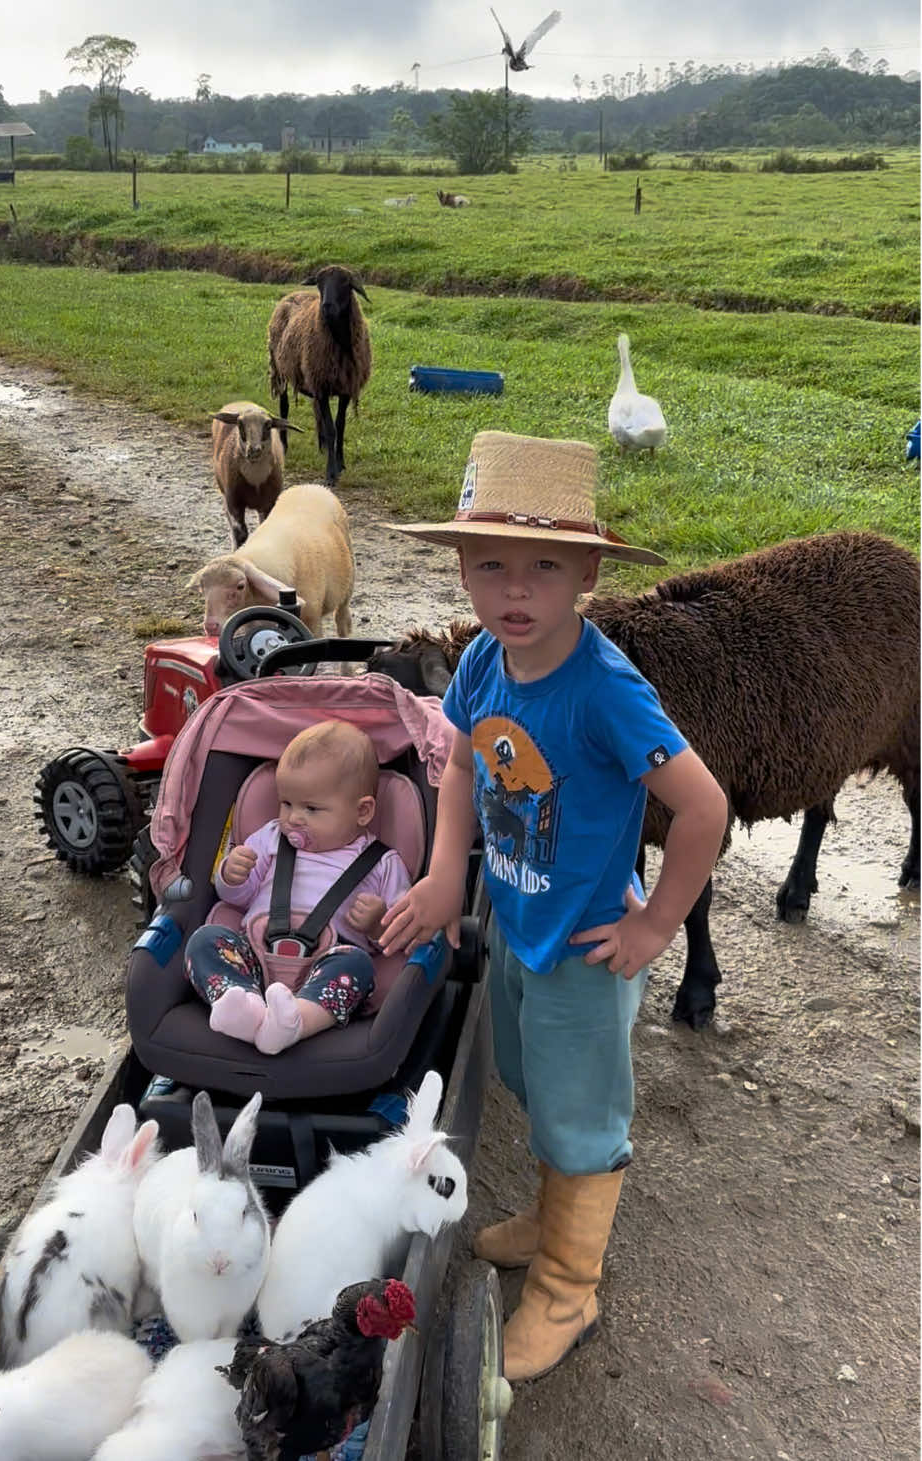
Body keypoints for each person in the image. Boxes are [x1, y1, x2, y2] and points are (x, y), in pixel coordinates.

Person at [380, 430, 728, 1382]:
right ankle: (550, 1213)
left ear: (585, 573)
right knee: (535, 1084)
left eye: (543, 567)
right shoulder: (486, 662)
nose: (515, 590)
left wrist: (655, 924)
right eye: (490, 564)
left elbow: (703, 806)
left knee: (582, 1113)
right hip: (516, 925)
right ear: (461, 572)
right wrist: (448, 870)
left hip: (583, 942)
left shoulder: (607, 691)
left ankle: (571, 1284)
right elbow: (458, 759)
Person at [185, 719, 411, 1055]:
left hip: (328, 966)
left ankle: (296, 1022)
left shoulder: (382, 862)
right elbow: (239, 899)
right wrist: (232, 876)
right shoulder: (270, 838)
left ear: (363, 811)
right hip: (255, 957)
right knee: (204, 941)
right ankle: (242, 1006)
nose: (294, 818)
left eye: (312, 808)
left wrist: (379, 923)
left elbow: (404, 927)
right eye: (287, 803)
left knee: (359, 967)